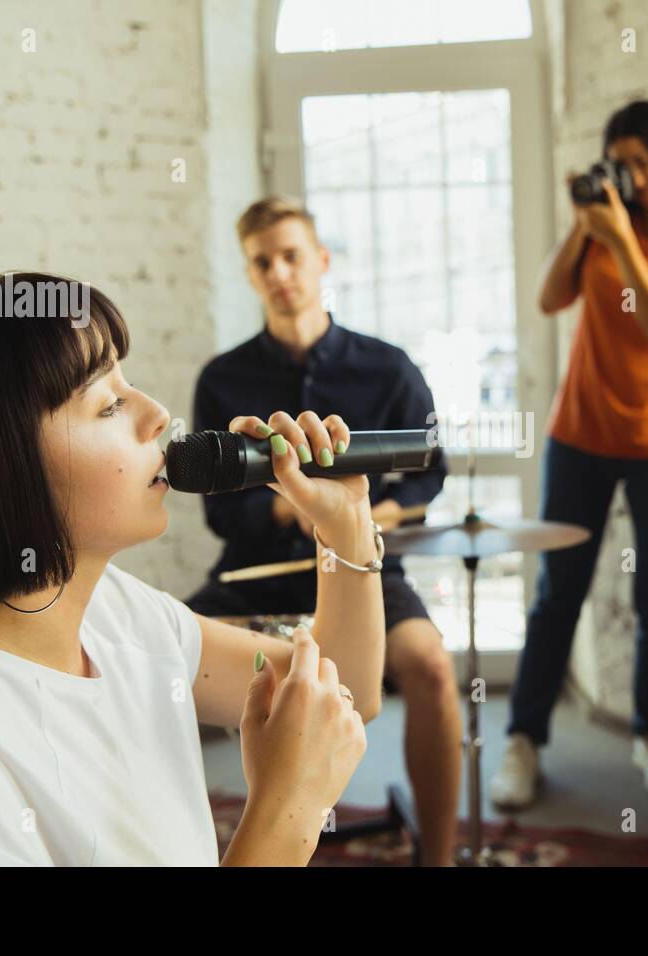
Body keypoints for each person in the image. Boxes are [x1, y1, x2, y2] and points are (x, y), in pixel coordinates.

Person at [0, 273, 385, 866]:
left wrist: (344, 523)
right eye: (108, 404)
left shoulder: (114, 614)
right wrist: (287, 812)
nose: (157, 415)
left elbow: (342, 688)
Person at [185, 198, 461, 866]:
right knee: (151, 666)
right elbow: (220, 513)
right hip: (252, 571)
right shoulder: (222, 379)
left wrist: (355, 522)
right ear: (250, 275)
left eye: (292, 256)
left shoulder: (389, 367)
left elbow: (429, 475)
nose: (280, 272)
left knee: (431, 667)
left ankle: (442, 855)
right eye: (263, 262)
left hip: (364, 565)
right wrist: (293, 509)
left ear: (321, 262)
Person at [490, 99, 648, 806]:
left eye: (643, 162)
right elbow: (547, 298)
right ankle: (523, 741)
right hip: (581, 435)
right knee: (557, 592)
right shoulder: (602, 226)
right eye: (620, 164)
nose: (633, 177)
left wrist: (623, 240)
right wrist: (585, 225)